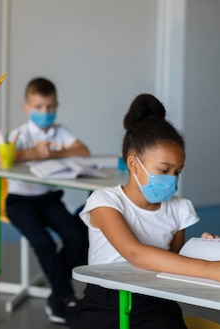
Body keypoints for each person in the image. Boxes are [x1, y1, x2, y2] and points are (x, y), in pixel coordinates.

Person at [77, 93, 220, 329]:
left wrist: (205, 250)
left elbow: (173, 264)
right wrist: (209, 268)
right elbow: (135, 253)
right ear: (133, 163)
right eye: (164, 170)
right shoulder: (104, 202)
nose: (172, 179)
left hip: (157, 302)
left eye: (177, 172)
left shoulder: (180, 208)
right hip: (105, 304)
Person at [0, 77, 90, 327]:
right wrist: (34, 153)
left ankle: (56, 296)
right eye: (39, 107)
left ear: (56, 106)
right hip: (20, 202)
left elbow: (83, 151)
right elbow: (1, 158)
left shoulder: (60, 131)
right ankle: (68, 297)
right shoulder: (20, 133)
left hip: (49, 199)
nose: (45, 112)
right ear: (26, 108)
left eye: (50, 107)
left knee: (76, 235)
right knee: (43, 243)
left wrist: (53, 153)